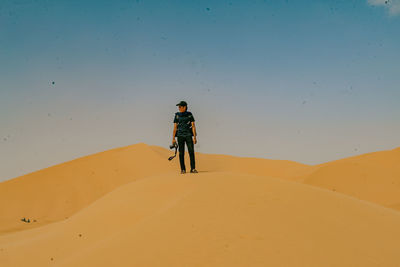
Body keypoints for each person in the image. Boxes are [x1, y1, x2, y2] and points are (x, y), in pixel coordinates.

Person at [172, 100, 198, 174]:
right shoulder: (177, 115)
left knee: (191, 152)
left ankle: (193, 169)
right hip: (180, 136)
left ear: (184, 107)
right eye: (178, 107)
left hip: (188, 135)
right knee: (181, 153)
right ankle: (183, 169)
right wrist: (173, 138)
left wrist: (195, 137)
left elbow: (193, 126)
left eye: (180, 106)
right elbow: (174, 127)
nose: (179, 108)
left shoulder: (189, 114)